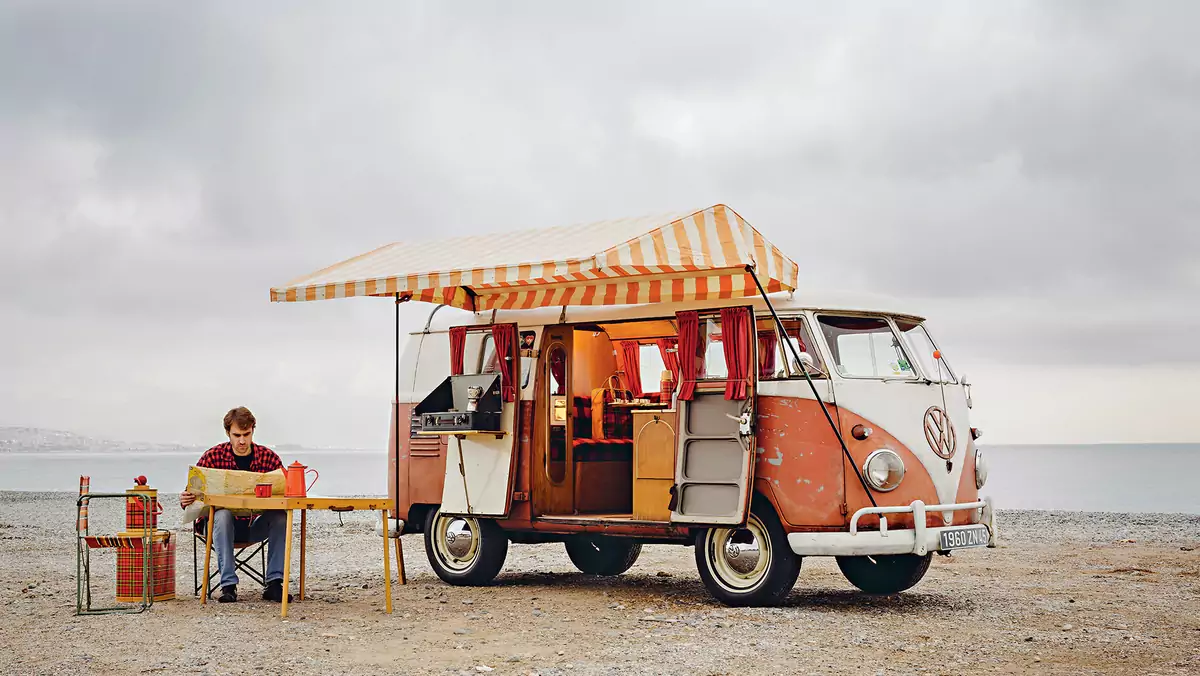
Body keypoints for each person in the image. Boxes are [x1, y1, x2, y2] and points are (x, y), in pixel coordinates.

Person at [180, 406, 290, 604]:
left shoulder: (269, 458)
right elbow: (193, 494)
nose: (242, 440)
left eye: (246, 434)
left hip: (250, 526)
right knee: (222, 515)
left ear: (253, 431)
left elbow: (285, 495)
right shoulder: (212, 457)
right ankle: (228, 586)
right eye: (236, 435)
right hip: (216, 527)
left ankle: (274, 584)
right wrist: (185, 499)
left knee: (280, 516)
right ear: (228, 433)